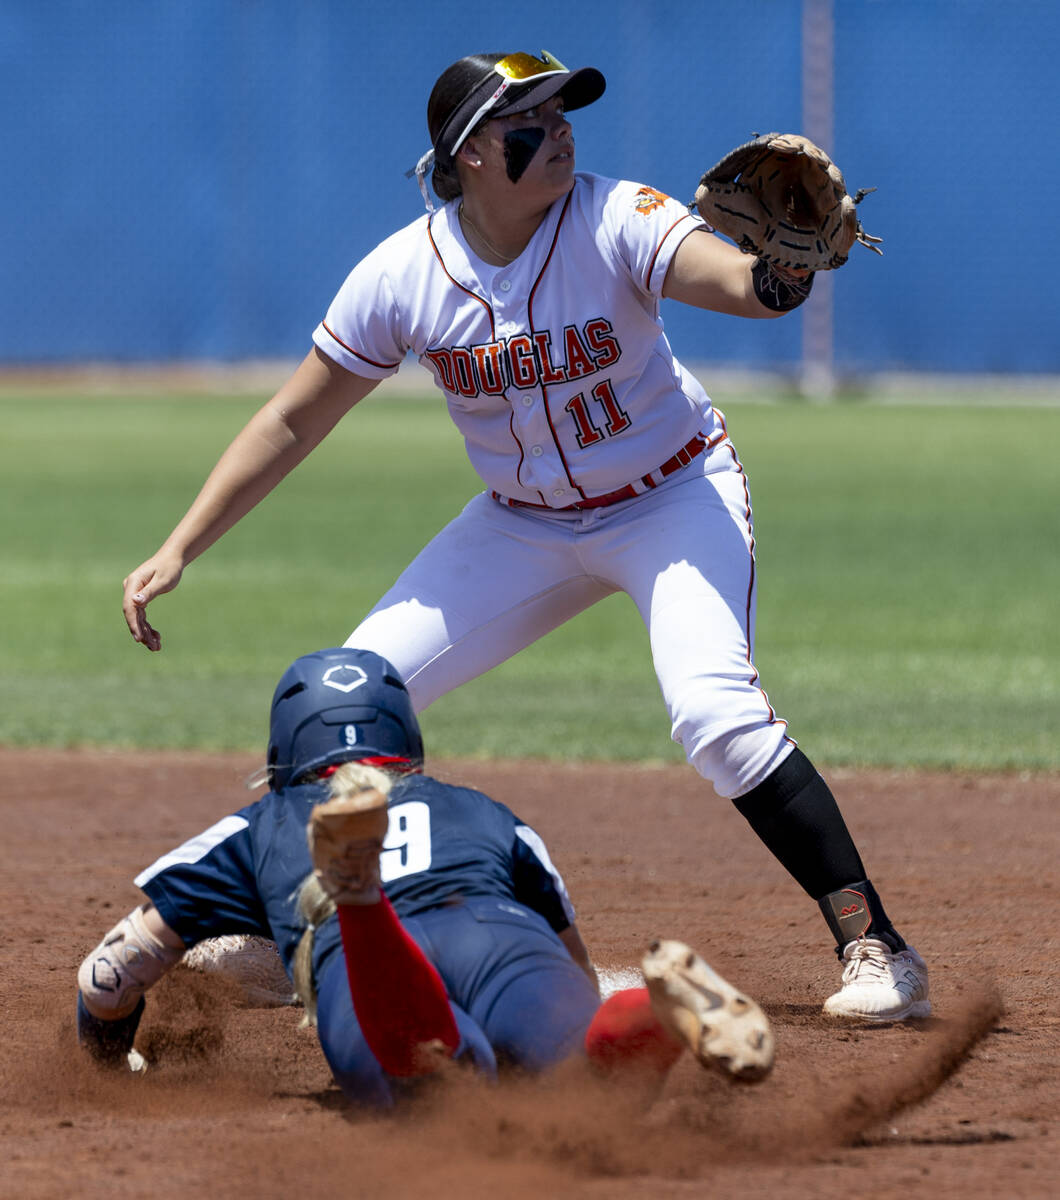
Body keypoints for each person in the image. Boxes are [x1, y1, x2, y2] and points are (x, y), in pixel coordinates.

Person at [120, 50, 929, 1021]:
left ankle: (876, 946)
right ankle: (276, 934)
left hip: (669, 500)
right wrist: (180, 546)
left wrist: (786, 270)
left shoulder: (615, 216)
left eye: (563, 115)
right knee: (341, 700)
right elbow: (295, 417)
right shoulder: (403, 275)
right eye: (530, 123)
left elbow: (742, 286)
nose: (560, 133)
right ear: (467, 154)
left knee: (715, 718)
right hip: (520, 525)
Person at [77, 647, 775, 1105]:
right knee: (586, 1083)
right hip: (500, 936)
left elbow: (108, 976)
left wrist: (105, 1063)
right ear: (404, 736)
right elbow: (573, 959)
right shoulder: (483, 810)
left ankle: (358, 896)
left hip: (365, 967)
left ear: (285, 749)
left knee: (440, 1086)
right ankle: (654, 1014)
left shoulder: (262, 823)